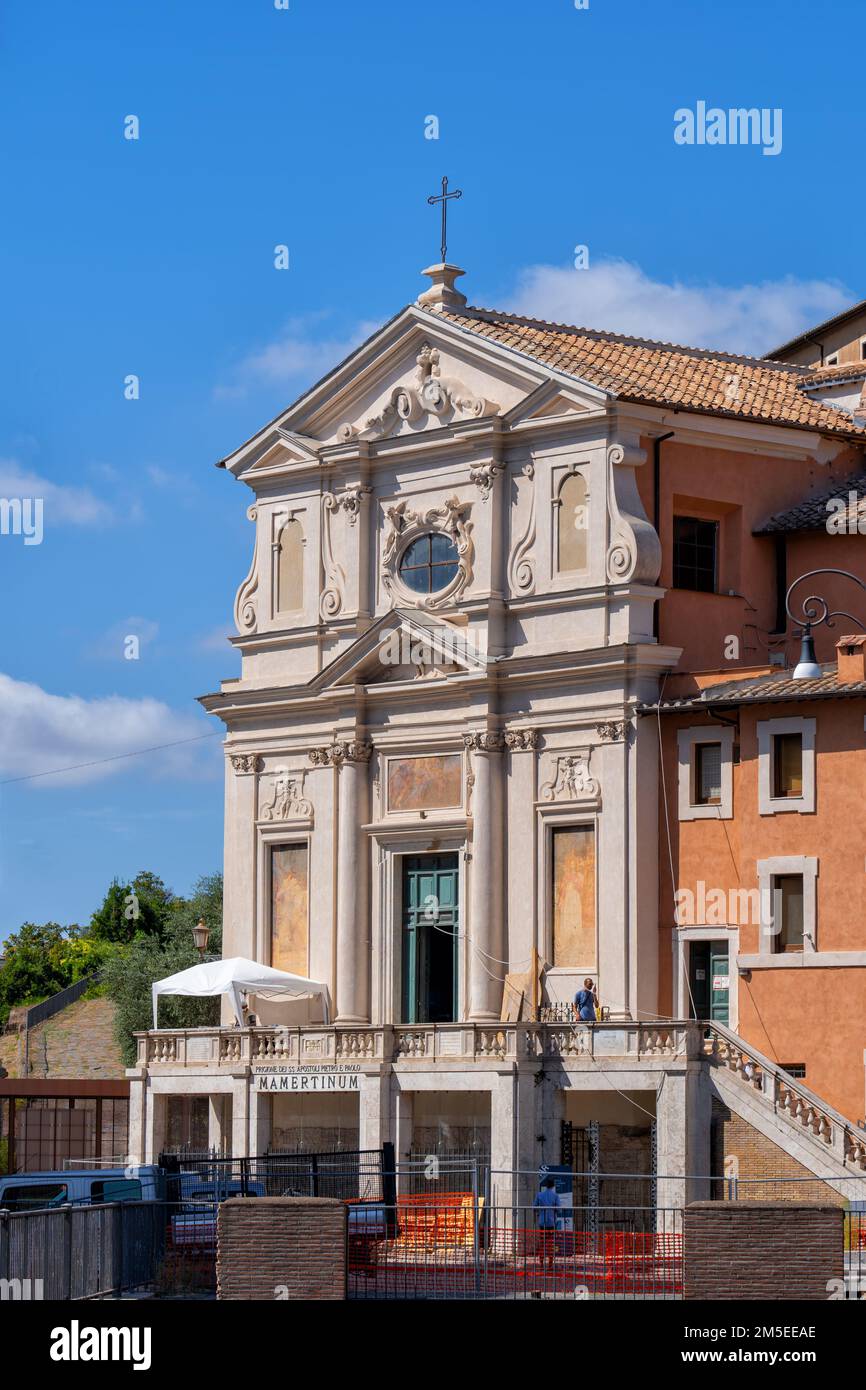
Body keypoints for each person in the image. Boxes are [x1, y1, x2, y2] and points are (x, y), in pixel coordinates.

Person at [532, 1175, 561, 1275]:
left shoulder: (539, 1195)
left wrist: (540, 1211)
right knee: (551, 1243)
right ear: (553, 1186)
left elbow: (534, 1207)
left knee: (542, 1242)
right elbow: (559, 1209)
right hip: (551, 1222)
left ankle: (541, 1263)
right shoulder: (555, 1196)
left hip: (542, 1222)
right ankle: (550, 1264)